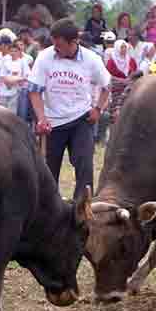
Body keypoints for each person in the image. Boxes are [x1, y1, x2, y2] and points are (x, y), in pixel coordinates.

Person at [28, 19, 111, 199]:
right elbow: (34, 91)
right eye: (53, 43)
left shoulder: (92, 59)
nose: (55, 48)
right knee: (49, 172)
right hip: (53, 122)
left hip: (81, 119)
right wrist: (41, 118)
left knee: (85, 166)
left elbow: (106, 85)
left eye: (59, 45)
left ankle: (81, 210)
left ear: (74, 42)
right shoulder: (45, 57)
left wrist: (98, 109)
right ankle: (49, 211)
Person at [0, 40, 31, 114]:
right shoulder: (5, 62)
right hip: (5, 89)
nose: (13, 53)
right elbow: (2, 75)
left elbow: (27, 76)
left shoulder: (22, 62)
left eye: (15, 51)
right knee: (2, 110)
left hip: (17, 89)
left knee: (13, 111)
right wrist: (8, 82)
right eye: (11, 51)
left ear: (19, 52)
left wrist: (16, 80)